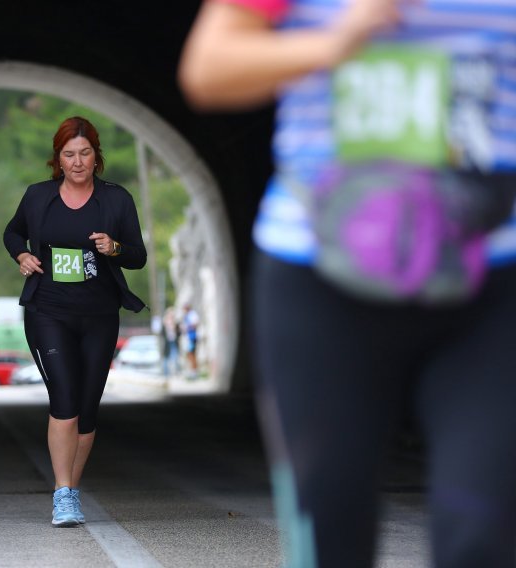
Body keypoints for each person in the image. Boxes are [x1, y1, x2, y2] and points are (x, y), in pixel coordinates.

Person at [179, 2, 516, 567]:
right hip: (321, 280)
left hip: (493, 278)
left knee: (482, 541)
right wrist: (335, 42)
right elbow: (209, 69)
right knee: (331, 538)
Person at [3, 116, 147, 527]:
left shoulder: (116, 200)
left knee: (87, 409)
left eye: (85, 153)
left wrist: (114, 246)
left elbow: (137, 255)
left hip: (99, 315)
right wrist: (22, 255)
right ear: (58, 159)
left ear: (96, 156)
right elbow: (12, 233)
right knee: (64, 400)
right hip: (48, 312)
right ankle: (62, 494)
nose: (78, 162)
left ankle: (70, 491)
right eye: (69, 154)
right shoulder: (37, 197)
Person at [181, 304, 199, 378]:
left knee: (192, 354)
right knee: (189, 354)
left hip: (192, 337)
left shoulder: (192, 314)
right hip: (188, 337)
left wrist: (187, 327)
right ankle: (192, 371)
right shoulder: (187, 316)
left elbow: (195, 324)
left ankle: (194, 372)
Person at [161, 307, 180, 377]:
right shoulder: (164, 323)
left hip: (174, 342)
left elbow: (178, 333)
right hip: (167, 342)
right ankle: (166, 373)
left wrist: (175, 327)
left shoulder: (175, 323)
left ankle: (176, 372)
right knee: (166, 358)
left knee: (175, 357)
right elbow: (162, 333)